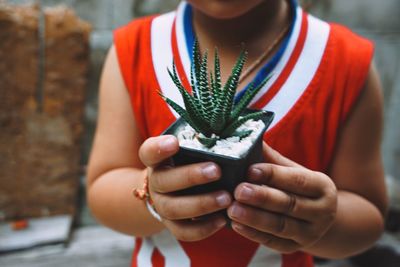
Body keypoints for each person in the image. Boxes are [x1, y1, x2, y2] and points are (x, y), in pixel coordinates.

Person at [87, 0, 388, 266]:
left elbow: (369, 217)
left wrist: (324, 221)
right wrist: (153, 195)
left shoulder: (346, 62)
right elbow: (102, 188)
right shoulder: (135, 49)